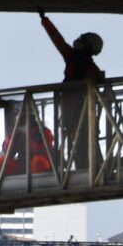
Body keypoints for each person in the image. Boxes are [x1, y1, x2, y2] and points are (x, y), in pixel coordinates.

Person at [39, 10, 105, 170]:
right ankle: (92, 167)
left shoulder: (73, 58)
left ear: (86, 45)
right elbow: (57, 39)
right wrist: (45, 20)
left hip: (74, 107)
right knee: (83, 138)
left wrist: (45, 20)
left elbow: (57, 39)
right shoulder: (90, 66)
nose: (78, 40)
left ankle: (88, 167)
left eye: (82, 40)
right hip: (79, 108)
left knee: (78, 137)